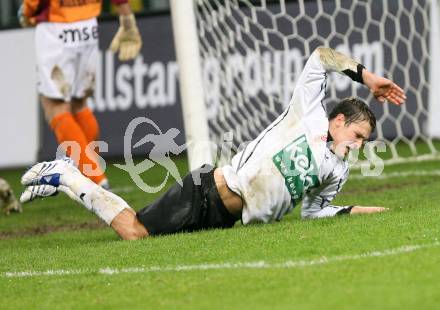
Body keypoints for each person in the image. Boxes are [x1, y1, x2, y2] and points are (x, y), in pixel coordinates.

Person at [20, 47, 406, 240]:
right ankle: (67, 175)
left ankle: (65, 179)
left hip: (227, 220)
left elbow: (314, 214)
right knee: (134, 232)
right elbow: (321, 56)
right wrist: (368, 77)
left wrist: (363, 210)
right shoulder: (310, 114)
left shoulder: (337, 170)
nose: (358, 146)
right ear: (339, 121)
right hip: (207, 192)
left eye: (365, 142)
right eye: (357, 136)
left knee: (139, 234)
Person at [18, 0, 142, 188]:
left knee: (56, 107)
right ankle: (91, 170)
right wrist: (127, 17)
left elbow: (32, 4)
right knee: (79, 104)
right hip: (87, 28)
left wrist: (27, 11)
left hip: (56, 26)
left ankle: (95, 178)